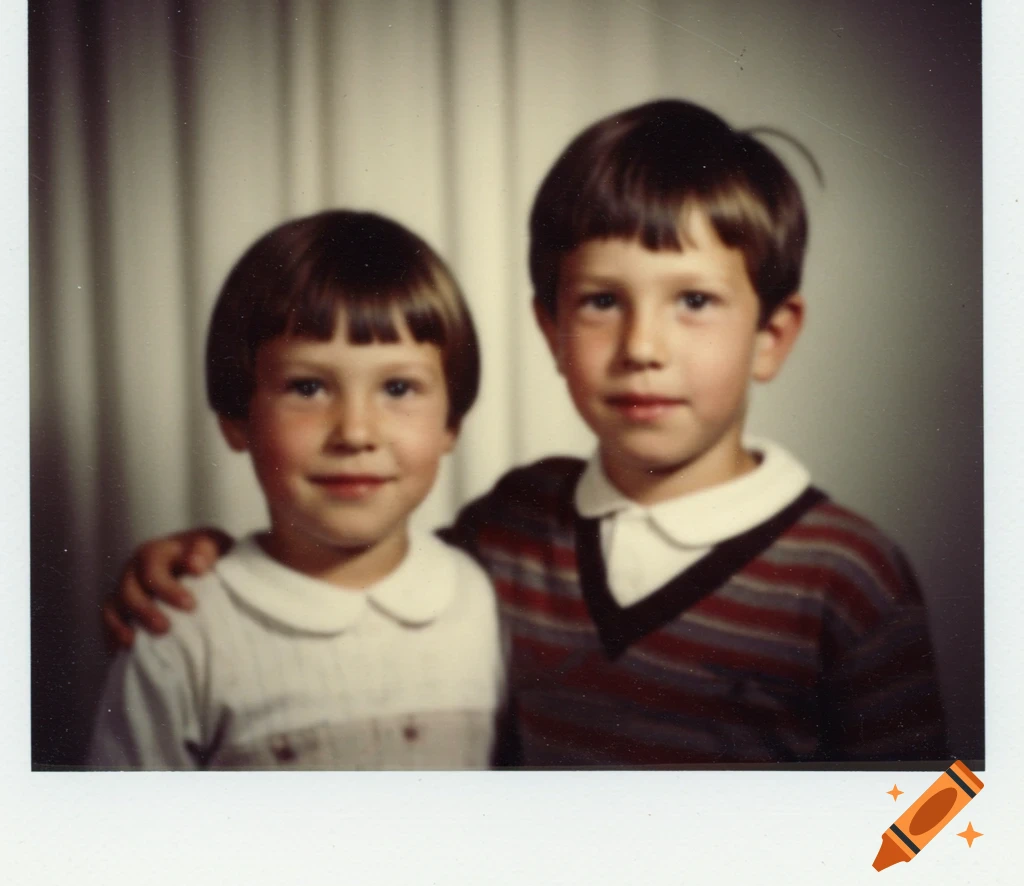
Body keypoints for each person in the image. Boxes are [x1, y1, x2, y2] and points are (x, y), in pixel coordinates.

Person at [104, 99, 948, 766]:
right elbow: (360, 561)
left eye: (693, 301)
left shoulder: (846, 574)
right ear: (550, 330)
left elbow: (942, 808)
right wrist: (207, 556)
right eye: (600, 302)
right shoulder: (513, 526)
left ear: (771, 335)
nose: (642, 348)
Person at [90, 211, 504, 769]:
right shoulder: (182, 633)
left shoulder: (482, 602)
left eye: (399, 387)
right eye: (307, 387)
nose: (356, 431)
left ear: (451, 422)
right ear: (237, 416)